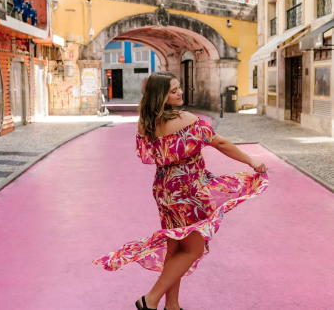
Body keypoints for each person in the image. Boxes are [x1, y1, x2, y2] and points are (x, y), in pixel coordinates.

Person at [93, 71, 269, 310]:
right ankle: (150, 300)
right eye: (173, 91)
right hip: (189, 191)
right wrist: (251, 161)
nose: (180, 93)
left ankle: (172, 305)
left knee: (175, 247)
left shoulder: (146, 121)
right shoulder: (185, 119)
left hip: (165, 190)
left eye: (179, 88)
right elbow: (220, 143)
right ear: (162, 96)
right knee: (193, 249)